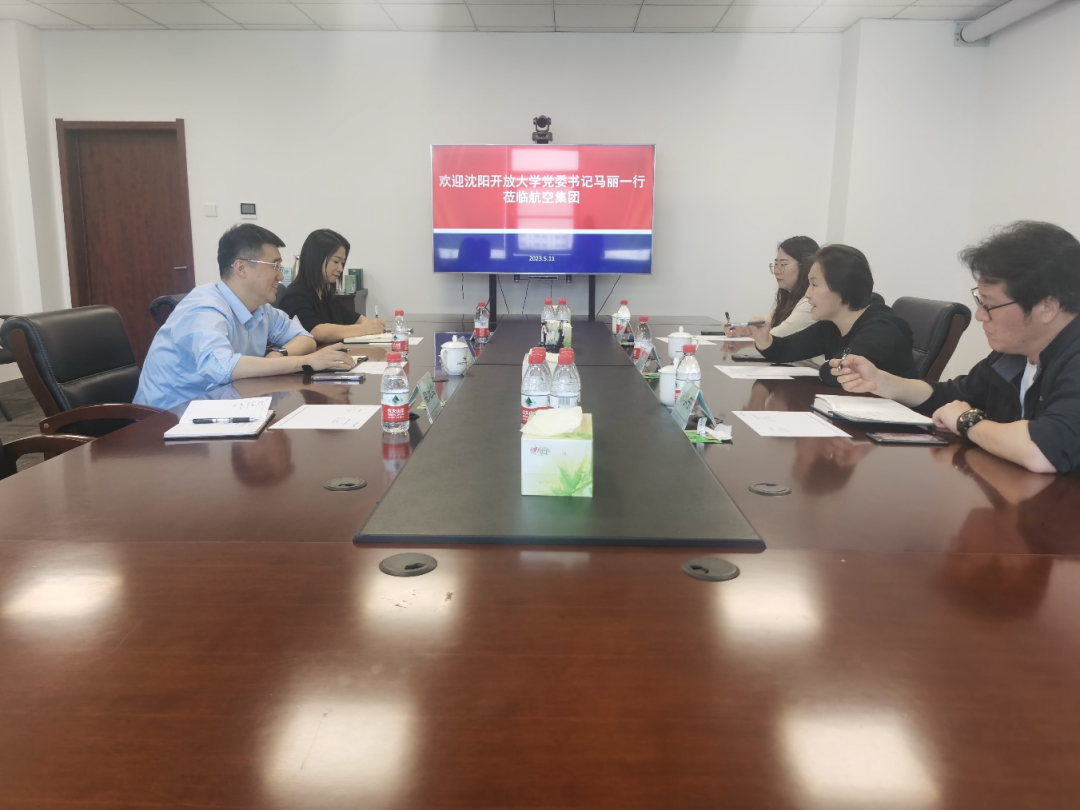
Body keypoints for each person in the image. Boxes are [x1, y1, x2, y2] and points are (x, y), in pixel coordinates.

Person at [833, 221, 1080, 475]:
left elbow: (1044, 450)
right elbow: (950, 396)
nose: (980, 315)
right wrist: (880, 381)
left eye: (989, 305)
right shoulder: (1013, 356)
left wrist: (967, 422)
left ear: (1047, 307)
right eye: (980, 302)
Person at [135, 224, 358, 410]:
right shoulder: (204, 308)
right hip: (165, 422)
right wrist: (305, 362)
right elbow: (224, 367)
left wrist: (279, 354)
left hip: (222, 410)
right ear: (241, 268)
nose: (281, 275)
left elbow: (305, 338)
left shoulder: (261, 309)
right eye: (275, 266)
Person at [747, 244, 918, 386]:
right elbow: (785, 350)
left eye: (814, 284)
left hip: (894, 415)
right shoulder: (832, 325)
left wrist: (828, 367)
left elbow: (838, 373)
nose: (807, 294)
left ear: (842, 289)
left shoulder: (881, 330)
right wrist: (764, 340)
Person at [278, 229, 385, 342]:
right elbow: (317, 332)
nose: (341, 269)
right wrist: (364, 329)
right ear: (316, 259)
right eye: (336, 262)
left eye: (342, 263)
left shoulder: (325, 295)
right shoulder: (295, 296)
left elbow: (356, 319)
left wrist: (372, 325)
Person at [728, 236, 820, 339]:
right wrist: (742, 330)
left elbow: (772, 338)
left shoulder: (810, 302)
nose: (776, 270)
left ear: (805, 266)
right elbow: (769, 328)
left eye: (783, 264)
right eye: (776, 264)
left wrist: (755, 335)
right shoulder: (788, 298)